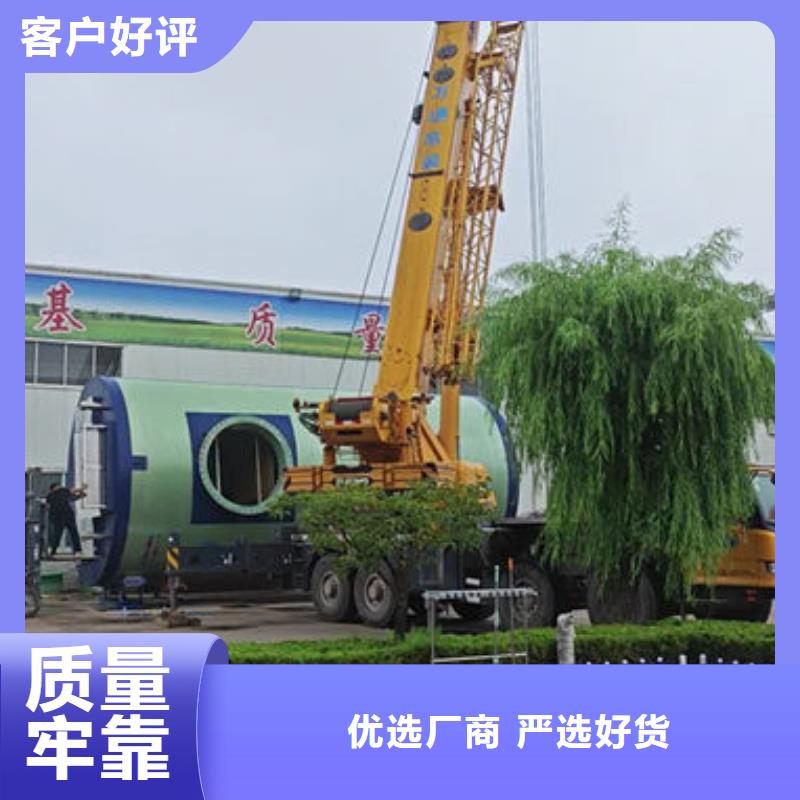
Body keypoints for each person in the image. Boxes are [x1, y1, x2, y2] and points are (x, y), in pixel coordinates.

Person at [46, 483, 86, 557]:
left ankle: (53, 552)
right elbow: (73, 494)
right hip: (68, 515)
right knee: (73, 533)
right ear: (56, 487)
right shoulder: (63, 491)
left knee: (57, 535)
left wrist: (51, 516)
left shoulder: (50, 495)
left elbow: (48, 507)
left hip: (58, 517)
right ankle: (78, 550)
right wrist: (81, 490)